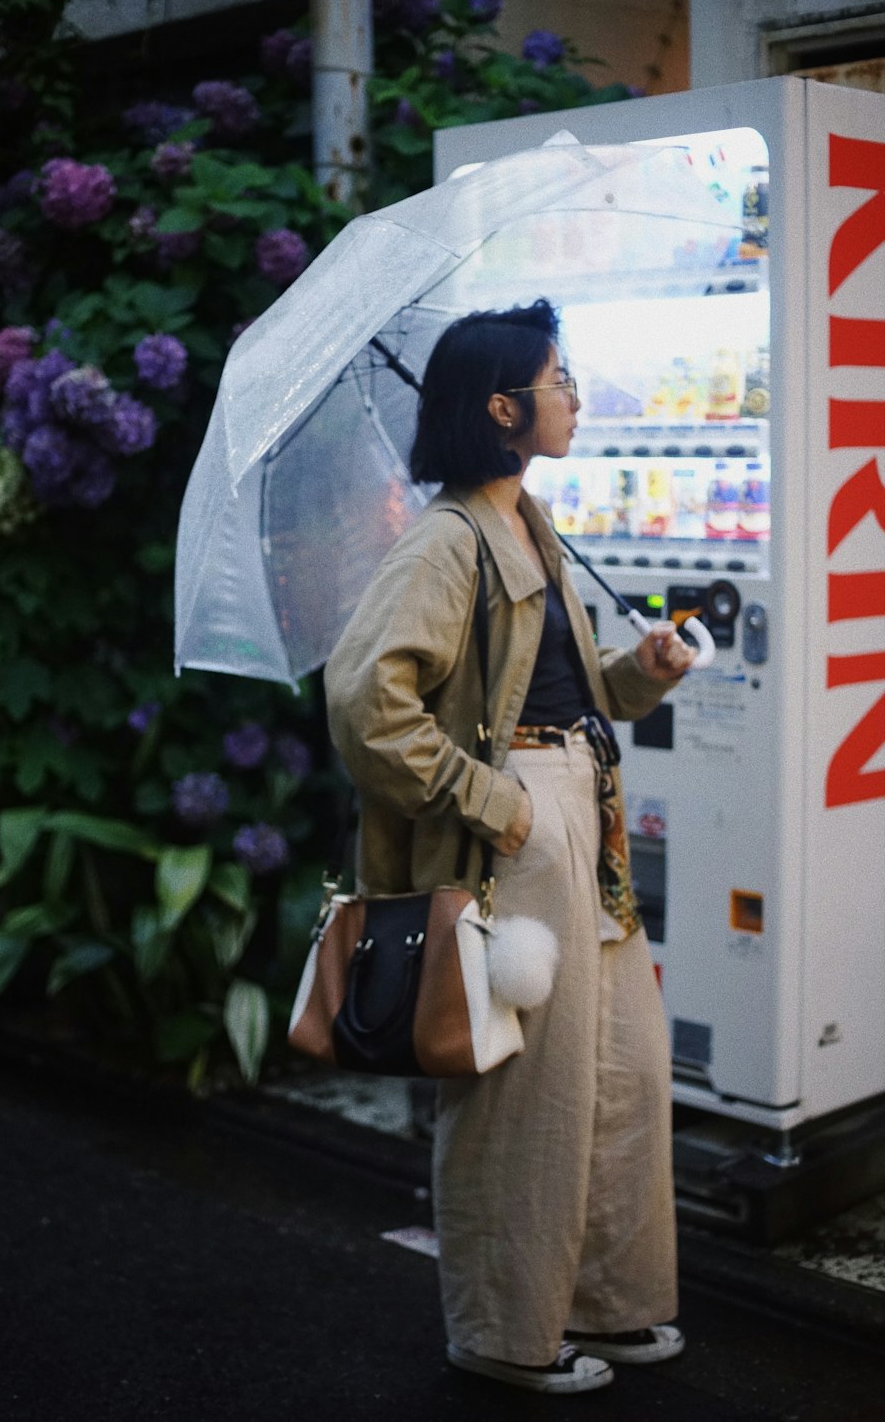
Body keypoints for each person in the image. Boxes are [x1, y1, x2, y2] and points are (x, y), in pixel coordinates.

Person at [323, 299, 695, 1397]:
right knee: (524, 1089)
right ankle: (500, 1329)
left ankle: (605, 1304)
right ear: (501, 408)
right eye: (557, 378)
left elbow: (563, 688)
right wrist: (496, 805)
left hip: (583, 806)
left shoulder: (526, 518)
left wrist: (641, 675)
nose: (572, 395)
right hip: (518, 829)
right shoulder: (445, 538)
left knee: (620, 1070)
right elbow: (363, 701)